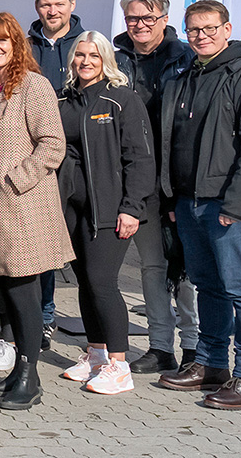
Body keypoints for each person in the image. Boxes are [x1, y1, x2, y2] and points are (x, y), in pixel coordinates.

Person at [156, 0, 241, 411]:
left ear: (227, 30)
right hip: (190, 201)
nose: (201, 36)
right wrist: (173, 198)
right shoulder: (187, 75)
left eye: (209, 28)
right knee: (208, 286)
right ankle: (211, 365)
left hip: (231, 205)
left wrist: (235, 204)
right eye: (193, 29)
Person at [0, 12, 72, 411]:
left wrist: (16, 179)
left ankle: (29, 374)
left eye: (2, 40)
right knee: (4, 290)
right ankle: (18, 371)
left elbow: (52, 144)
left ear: (16, 44)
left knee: (23, 292)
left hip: (23, 204)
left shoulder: (33, 85)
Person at [54, 31, 155, 396]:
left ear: (105, 60)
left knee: (102, 282)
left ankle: (119, 365)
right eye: (80, 55)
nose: (86, 62)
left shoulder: (121, 99)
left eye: (94, 56)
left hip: (110, 209)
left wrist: (131, 207)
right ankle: (96, 355)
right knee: (85, 281)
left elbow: (140, 157)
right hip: (72, 208)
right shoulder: (63, 99)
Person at [113, 0, 199, 375]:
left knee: (186, 270)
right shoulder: (115, 59)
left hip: (177, 179)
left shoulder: (186, 59)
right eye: (133, 18)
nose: (140, 25)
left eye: (148, 18)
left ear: (165, 19)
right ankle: (160, 346)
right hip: (138, 179)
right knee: (151, 266)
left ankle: (194, 347)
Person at [30, 0, 85, 90]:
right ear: (36, 7)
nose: (53, 12)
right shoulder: (24, 49)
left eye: (59, 4)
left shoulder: (87, 46)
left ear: (72, 4)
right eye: (46, 5)